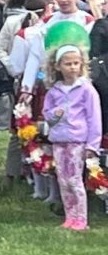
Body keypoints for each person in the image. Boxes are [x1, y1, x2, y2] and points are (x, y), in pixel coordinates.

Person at [42, 44, 101, 230]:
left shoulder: (86, 90)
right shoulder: (54, 91)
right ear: (58, 66)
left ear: (82, 64)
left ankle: (81, 219)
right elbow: (47, 116)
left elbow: (94, 118)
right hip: (59, 140)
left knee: (75, 180)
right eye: (68, 64)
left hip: (78, 140)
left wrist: (92, 145)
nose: (73, 67)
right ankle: (69, 217)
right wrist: (55, 114)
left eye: (76, 63)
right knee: (63, 180)